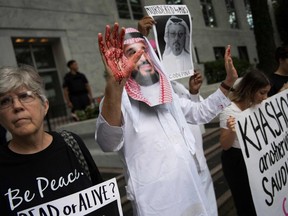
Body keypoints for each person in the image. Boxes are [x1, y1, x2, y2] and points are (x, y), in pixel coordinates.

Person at [95, 23, 238, 216]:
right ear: (118, 60)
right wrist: (114, 85)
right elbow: (107, 142)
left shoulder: (166, 92)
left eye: (144, 50)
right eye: (131, 52)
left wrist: (228, 83)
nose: (142, 57)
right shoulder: (115, 100)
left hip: (191, 191)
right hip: (157, 203)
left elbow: (199, 113)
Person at [0, 65, 103, 215]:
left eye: (24, 96)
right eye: (4, 102)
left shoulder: (71, 143)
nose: (16, 106)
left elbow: (101, 198)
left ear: (45, 105)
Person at [219, 69, 271, 216]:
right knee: (246, 201)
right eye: (262, 93)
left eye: (267, 93)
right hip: (238, 161)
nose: (265, 97)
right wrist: (232, 129)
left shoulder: (256, 105)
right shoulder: (229, 112)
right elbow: (225, 145)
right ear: (250, 90)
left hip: (256, 157)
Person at [171, 71, 218, 216]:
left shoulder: (177, 86)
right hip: (182, 173)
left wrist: (193, 93)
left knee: (210, 209)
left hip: (200, 162)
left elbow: (198, 113)